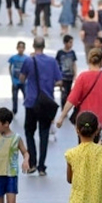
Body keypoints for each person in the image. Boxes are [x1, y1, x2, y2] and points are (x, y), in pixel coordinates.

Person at [19, 36, 63, 176]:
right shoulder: (52, 61)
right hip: (46, 102)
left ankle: (32, 162)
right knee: (44, 134)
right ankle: (42, 167)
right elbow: (60, 81)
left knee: (29, 132)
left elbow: (21, 78)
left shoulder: (28, 60)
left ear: (33, 45)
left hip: (31, 102)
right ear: (43, 46)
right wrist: (49, 84)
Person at [57, 49, 102, 134]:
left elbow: (72, 99)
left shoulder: (82, 77)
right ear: (101, 61)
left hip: (84, 122)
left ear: (89, 60)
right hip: (101, 123)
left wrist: (62, 117)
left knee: (84, 146)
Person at [56, 35, 78, 109]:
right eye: (70, 42)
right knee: (64, 93)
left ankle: (66, 107)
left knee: (69, 93)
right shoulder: (60, 53)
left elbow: (74, 63)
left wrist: (75, 74)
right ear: (65, 43)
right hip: (63, 76)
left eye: (72, 42)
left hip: (70, 76)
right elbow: (57, 64)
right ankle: (63, 108)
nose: (71, 44)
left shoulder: (72, 53)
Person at [7, 41, 28, 115]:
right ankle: (14, 110)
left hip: (24, 82)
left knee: (26, 96)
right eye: (19, 47)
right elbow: (10, 67)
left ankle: (27, 109)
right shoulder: (13, 58)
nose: (21, 49)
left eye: (22, 47)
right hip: (15, 81)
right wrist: (11, 76)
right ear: (17, 48)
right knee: (14, 97)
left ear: (24, 49)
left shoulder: (26, 58)